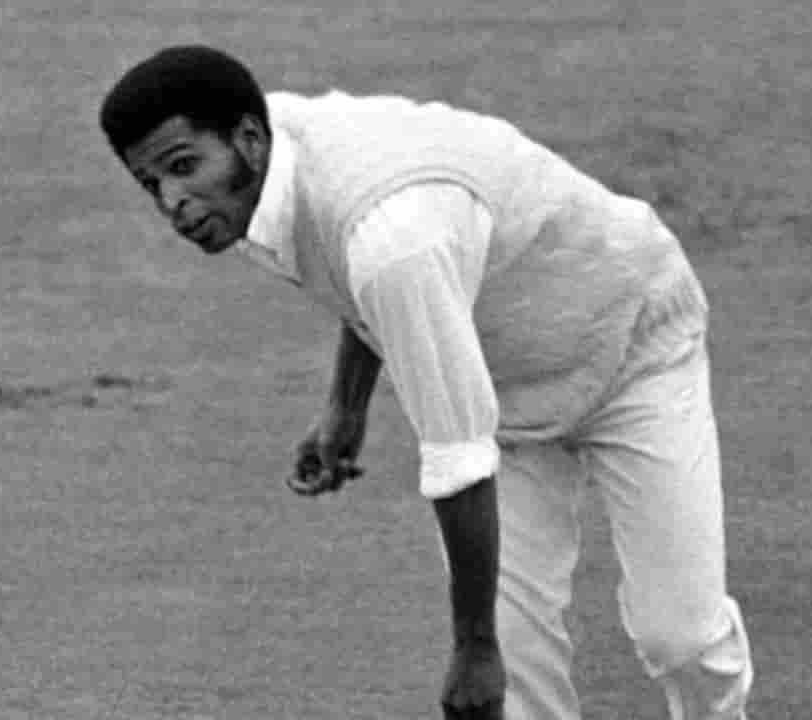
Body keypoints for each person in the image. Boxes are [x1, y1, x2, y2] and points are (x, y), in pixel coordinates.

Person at [98, 44, 754, 720]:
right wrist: (346, 407)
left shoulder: (391, 232)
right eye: (152, 184)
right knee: (521, 674)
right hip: (500, 385)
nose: (173, 203)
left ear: (249, 140)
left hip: (632, 346)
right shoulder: (263, 168)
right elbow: (353, 275)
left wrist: (472, 649)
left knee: (679, 640)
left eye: (184, 168)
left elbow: (458, 459)